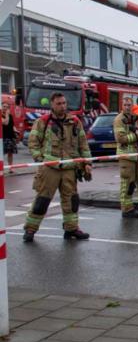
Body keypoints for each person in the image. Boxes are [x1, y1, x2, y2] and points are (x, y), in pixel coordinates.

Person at [23, 93, 92, 242]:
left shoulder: (74, 121)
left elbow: (83, 144)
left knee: (71, 201)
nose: (63, 106)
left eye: (64, 103)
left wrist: (87, 163)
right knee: (42, 200)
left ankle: (71, 229)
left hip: (69, 168)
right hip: (50, 168)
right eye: (59, 103)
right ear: (52, 105)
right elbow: (33, 142)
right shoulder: (43, 122)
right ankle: (30, 229)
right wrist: (40, 159)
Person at [113, 96, 138, 218]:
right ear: (122, 106)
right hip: (126, 156)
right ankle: (127, 209)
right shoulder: (119, 119)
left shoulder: (134, 118)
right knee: (128, 183)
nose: (127, 107)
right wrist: (136, 137)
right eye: (125, 105)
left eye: (129, 105)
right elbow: (120, 138)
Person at [1, 101, 17, 174]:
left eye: (6, 107)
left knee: (10, 153)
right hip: (3, 137)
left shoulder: (10, 116)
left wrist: (16, 131)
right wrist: (7, 114)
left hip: (10, 136)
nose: (5, 108)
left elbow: (12, 125)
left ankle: (10, 168)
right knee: (2, 153)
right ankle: (1, 168)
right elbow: (5, 123)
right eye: (3, 106)